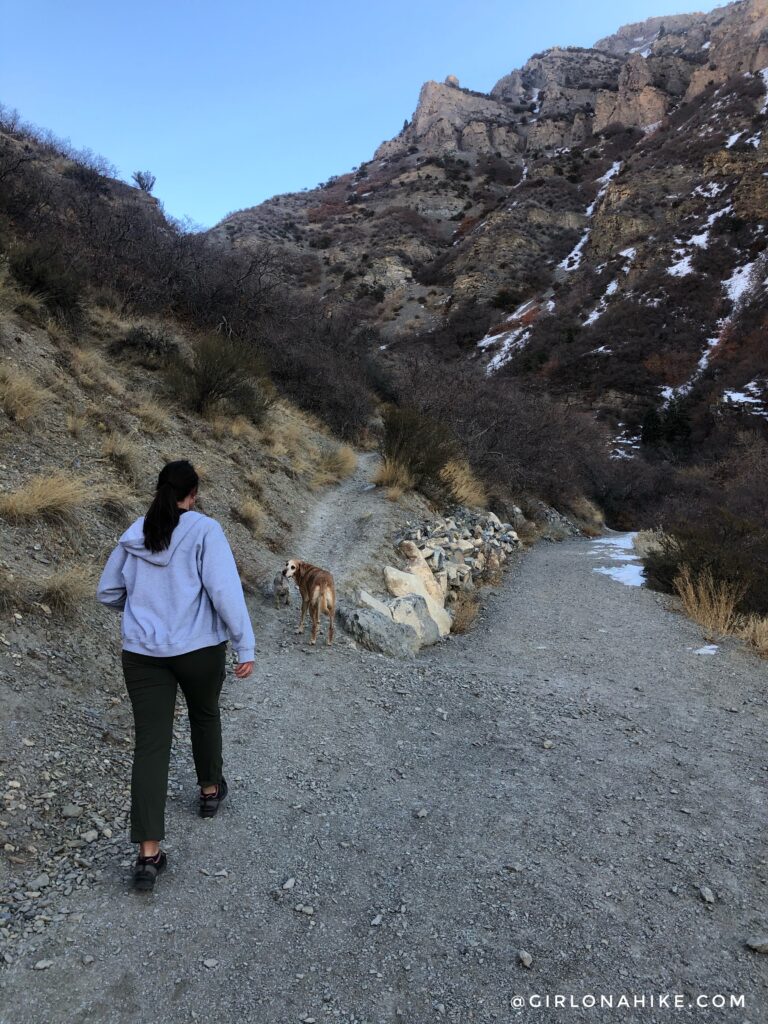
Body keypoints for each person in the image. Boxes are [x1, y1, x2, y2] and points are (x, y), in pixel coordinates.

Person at [96, 459, 255, 891]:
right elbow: (224, 592)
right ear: (193, 493)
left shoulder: (136, 533)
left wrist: (142, 615)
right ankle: (208, 792)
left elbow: (107, 591)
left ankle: (148, 856)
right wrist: (245, 644)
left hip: (142, 656)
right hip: (200, 649)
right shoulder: (204, 530)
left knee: (150, 744)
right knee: (205, 714)